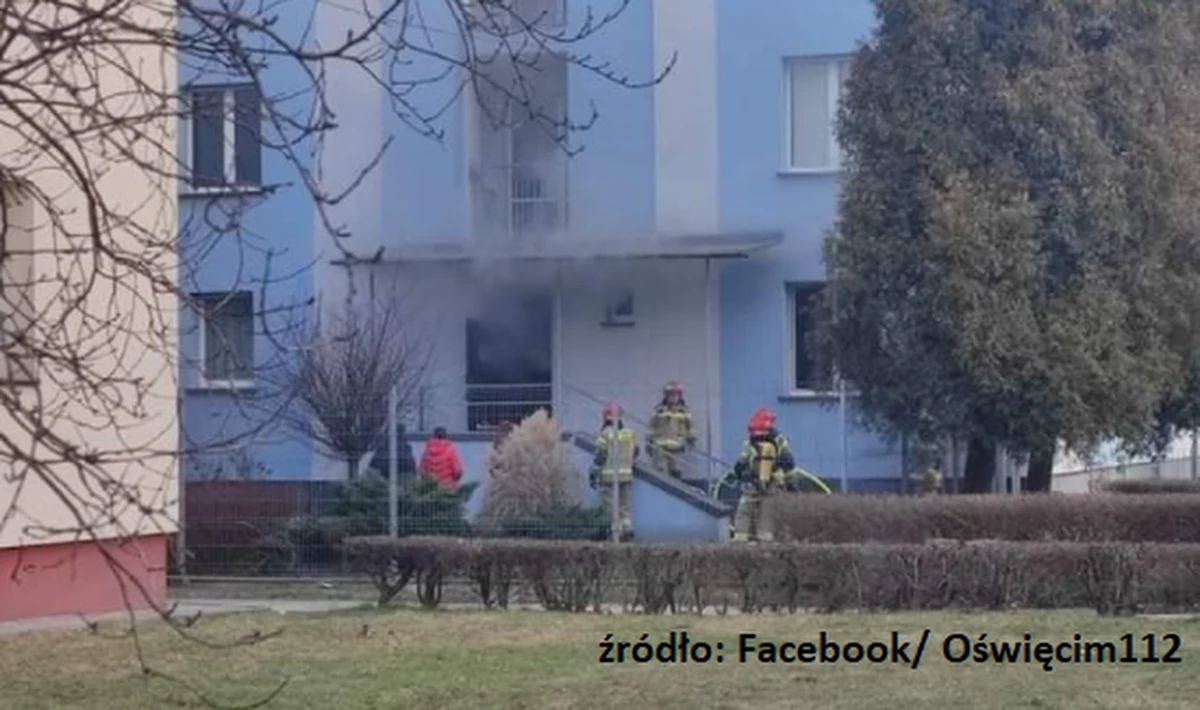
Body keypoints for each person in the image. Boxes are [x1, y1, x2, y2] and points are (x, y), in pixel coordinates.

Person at [728, 407, 798, 543]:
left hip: (758, 482)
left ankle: (741, 541)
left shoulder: (751, 441)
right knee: (766, 512)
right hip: (771, 483)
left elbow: (741, 463)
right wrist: (792, 484)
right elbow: (789, 463)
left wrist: (738, 475)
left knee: (746, 510)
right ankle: (762, 541)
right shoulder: (779, 440)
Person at [590, 403, 638, 540]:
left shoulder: (605, 434)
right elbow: (636, 451)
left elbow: (600, 455)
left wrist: (593, 473)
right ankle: (627, 530)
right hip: (626, 476)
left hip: (608, 477)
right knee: (625, 507)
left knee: (610, 507)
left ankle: (615, 534)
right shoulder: (629, 433)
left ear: (606, 417)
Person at [647, 380, 695, 479]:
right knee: (661, 473)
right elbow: (651, 426)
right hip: (660, 447)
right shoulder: (659, 410)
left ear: (680, 395)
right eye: (671, 394)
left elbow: (690, 427)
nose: (673, 397)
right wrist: (649, 442)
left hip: (677, 448)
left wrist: (691, 439)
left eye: (676, 394)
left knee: (676, 473)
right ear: (666, 395)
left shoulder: (685, 411)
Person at [419, 427, 464, 491]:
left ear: (434, 436)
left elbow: (422, 471)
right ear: (445, 436)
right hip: (447, 488)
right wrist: (454, 480)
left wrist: (427, 481)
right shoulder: (450, 450)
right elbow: (458, 471)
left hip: (431, 489)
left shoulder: (427, 451)